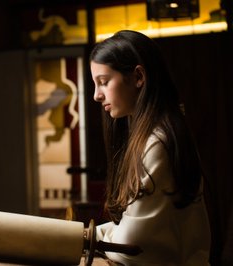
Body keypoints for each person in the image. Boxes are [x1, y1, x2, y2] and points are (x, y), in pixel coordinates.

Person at [90, 30, 211, 265]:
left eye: (103, 82)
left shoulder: (159, 143)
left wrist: (94, 236)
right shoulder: (154, 135)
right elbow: (127, 230)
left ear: (138, 77)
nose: (96, 95)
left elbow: (130, 244)